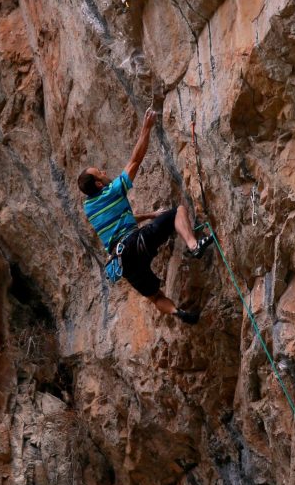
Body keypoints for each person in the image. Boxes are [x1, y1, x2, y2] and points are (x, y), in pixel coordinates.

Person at [78, 108, 213, 324]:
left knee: (155, 296)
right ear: (99, 184)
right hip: (134, 243)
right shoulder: (112, 191)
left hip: (122, 262)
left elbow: (122, 220)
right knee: (178, 211)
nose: (104, 172)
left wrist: (151, 214)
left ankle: (177, 312)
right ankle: (193, 245)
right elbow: (135, 161)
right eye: (100, 173)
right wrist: (146, 128)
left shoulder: (90, 208)